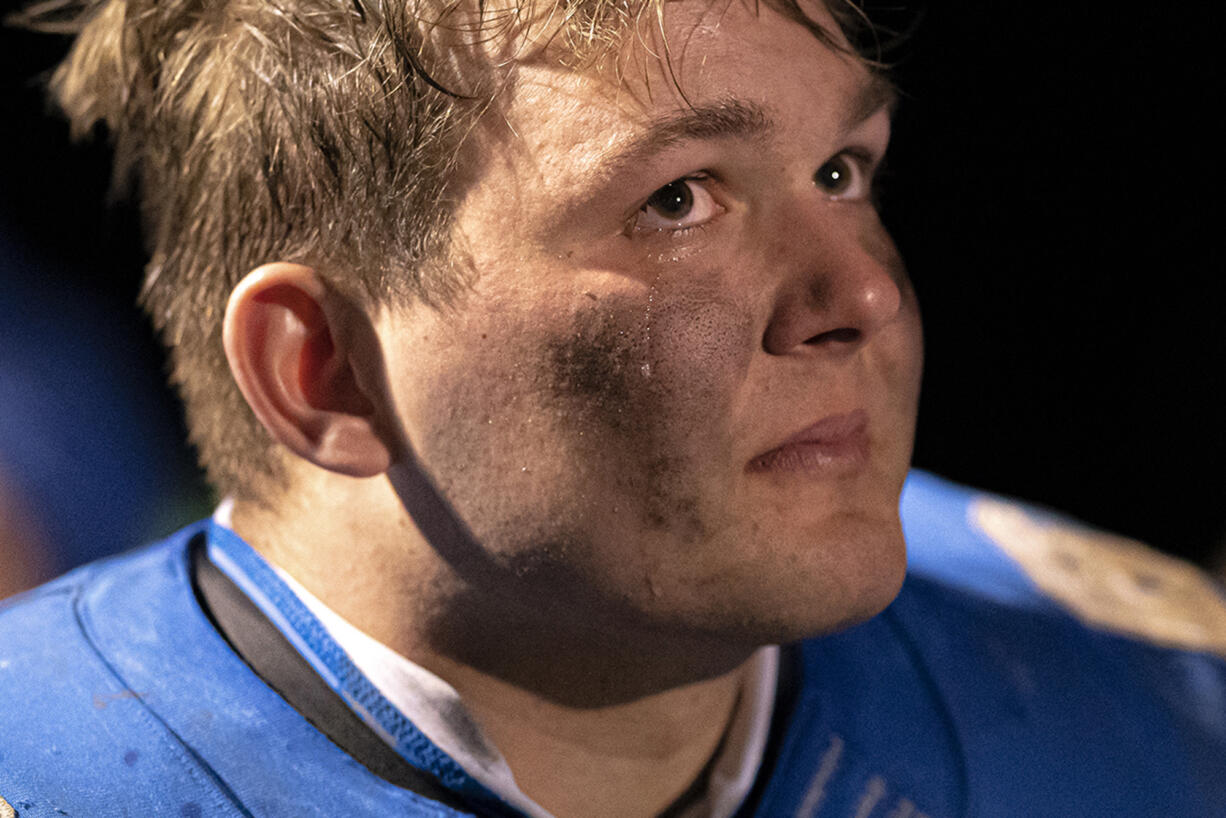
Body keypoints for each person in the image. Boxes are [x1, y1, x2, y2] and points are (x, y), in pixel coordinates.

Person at [0, 0, 1222, 815]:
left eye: (840, 171)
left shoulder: (1159, 690)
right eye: (680, 199)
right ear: (324, 366)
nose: (860, 290)